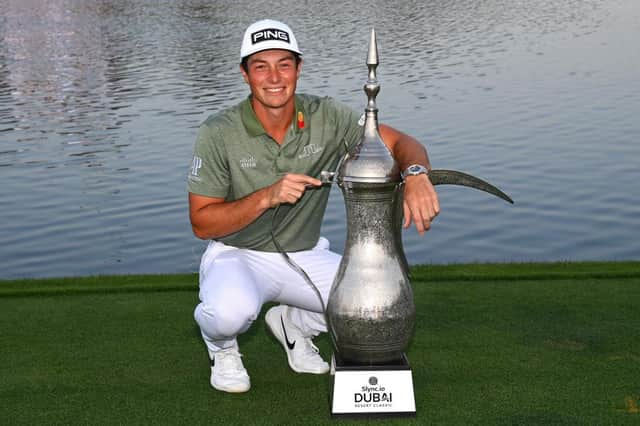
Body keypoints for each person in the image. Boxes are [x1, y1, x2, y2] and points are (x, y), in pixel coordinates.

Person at [187, 19, 439, 393]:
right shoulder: (217, 131)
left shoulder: (327, 116)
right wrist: (267, 196)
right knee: (228, 314)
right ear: (244, 74)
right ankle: (221, 348)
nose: (274, 77)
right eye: (260, 66)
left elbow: (400, 142)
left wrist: (417, 174)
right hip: (236, 254)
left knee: (374, 301)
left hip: (304, 254)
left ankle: (295, 325)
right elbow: (202, 223)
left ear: (298, 69)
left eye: (284, 64)